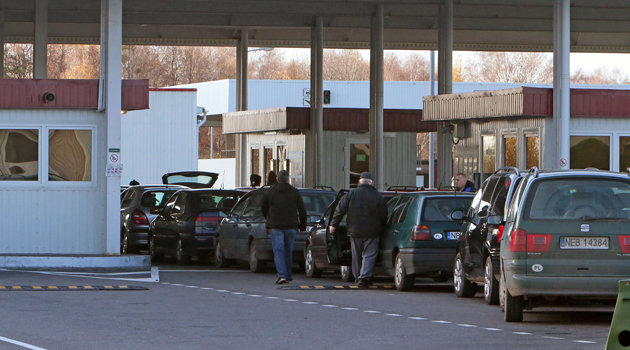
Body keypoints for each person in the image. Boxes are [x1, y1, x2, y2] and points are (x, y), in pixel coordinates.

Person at [329, 172, 388, 288]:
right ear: (372, 183)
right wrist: (382, 227)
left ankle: (358, 277)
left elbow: (339, 210)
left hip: (354, 230)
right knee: (369, 254)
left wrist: (333, 225)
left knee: (356, 255)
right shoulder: (378, 197)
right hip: (372, 231)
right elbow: (384, 215)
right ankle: (364, 277)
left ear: (359, 182)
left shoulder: (351, 194)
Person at [261, 170, 307, 285]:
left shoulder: (270, 192)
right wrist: (302, 226)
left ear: (277, 178)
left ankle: (282, 275)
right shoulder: (294, 192)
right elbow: (302, 210)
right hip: (291, 226)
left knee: (279, 250)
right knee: (288, 251)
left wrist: (268, 217)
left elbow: (263, 207)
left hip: (276, 225)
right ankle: (288, 275)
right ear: (287, 179)